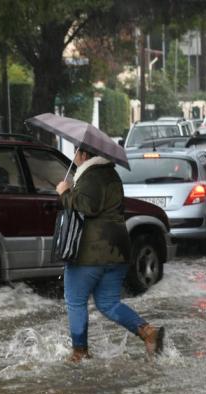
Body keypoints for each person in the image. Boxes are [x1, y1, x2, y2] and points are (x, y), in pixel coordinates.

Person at [55, 148, 165, 363]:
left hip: (91, 251)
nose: (74, 158)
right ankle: (148, 332)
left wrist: (65, 193)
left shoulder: (91, 175)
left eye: (76, 153)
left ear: (84, 155)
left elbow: (88, 207)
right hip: (118, 248)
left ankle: (79, 353)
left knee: (75, 301)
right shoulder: (111, 174)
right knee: (108, 303)